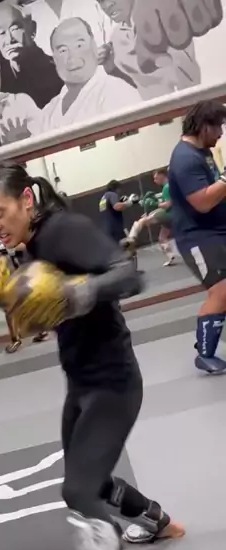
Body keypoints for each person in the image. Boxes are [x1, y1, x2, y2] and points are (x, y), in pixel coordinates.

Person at [0, 162, 184, 550]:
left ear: (26, 199)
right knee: (90, 478)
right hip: (82, 383)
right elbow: (45, 307)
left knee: (79, 491)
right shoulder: (31, 244)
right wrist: (20, 302)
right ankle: (156, 520)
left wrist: (76, 293)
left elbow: (128, 274)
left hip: (113, 383)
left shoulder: (62, 230)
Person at [168, 100, 226, 375]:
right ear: (204, 127)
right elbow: (202, 202)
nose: (221, 133)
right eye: (218, 127)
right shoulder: (185, 158)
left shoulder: (202, 152)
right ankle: (205, 354)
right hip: (198, 237)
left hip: (217, 230)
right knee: (221, 291)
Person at [41, 18, 140, 133]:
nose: (72, 58)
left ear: (94, 47)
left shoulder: (116, 91)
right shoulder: (49, 111)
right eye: (63, 50)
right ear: (54, 59)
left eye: (79, 45)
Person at [97, 0, 200, 100]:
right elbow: (138, 82)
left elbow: (184, 71)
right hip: (154, 108)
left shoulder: (160, 15)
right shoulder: (116, 37)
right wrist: (111, 68)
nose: (107, 5)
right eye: (100, 0)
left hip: (185, 101)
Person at [0, 1, 62, 109]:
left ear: (32, 30)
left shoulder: (56, 71)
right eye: (2, 33)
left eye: (15, 29)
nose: (9, 40)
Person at [127, 169, 175, 266]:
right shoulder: (170, 186)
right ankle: (170, 256)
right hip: (173, 215)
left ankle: (131, 239)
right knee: (162, 238)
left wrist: (154, 203)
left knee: (142, 221)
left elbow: (168, 205)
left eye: (156, 178)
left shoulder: (167, 187)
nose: (155, 181)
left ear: (162, 176)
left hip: (168, 214)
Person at [99, 179, 138, 245]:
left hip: (107, 229)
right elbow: (117, 207)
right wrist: (129, 202)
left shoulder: (103, 198)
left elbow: (109, 209)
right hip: (116, 228)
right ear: (117, 188)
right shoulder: (112, 194)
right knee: (128, 245)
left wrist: (121, 202)